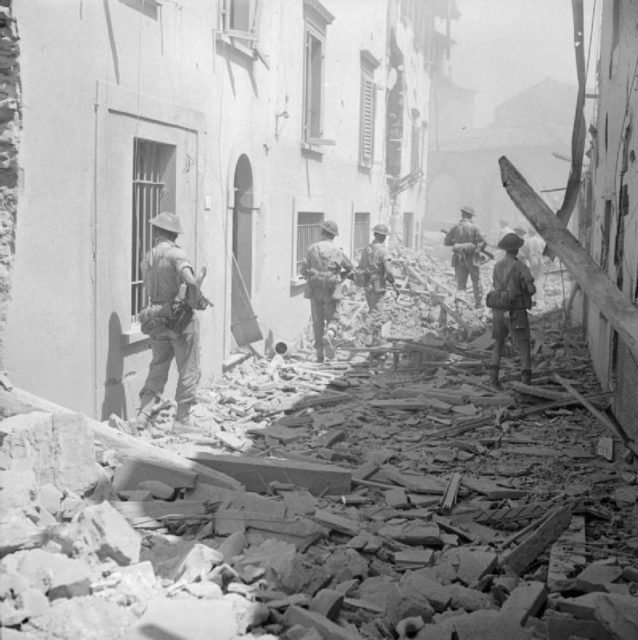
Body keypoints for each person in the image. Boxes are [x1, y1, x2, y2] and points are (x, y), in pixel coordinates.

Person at [137, 211, 204, 429]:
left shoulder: (147, 258)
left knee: (158, 366)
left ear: (156, 232)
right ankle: (182, 420)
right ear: (174, 235)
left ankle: (143, 415)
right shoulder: (177, 255)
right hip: (180, 321)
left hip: (157, 319)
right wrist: (195, 300)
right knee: (188, 368)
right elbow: (190, 281)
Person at [488, 232, 536, 389]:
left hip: (498, 311)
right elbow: (531, 289)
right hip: (516, 311)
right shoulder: (521, 267)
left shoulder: (497, 266)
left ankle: (493, 380)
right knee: (523, 345)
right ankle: (525, 383)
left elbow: (496, 286)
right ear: (517, 249)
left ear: (505, 249)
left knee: (498, 344)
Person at [301, 220, 353, 363]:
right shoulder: (338, 251)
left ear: (322, 232)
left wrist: (311, 275)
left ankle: (319, 356)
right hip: (331, 291)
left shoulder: (312, 248)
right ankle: (329, 336)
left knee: (317, 322)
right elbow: (350, 268)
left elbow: (303, 270)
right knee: (334, 319)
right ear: (334, 236)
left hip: (315, 290)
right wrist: (339, 279)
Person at [357, 223, 395, 347]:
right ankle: (361, 333)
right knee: (376, 312)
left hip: (367, 283)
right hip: (378, 284)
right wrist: (392, 280)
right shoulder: (383, 250)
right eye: (384, 236)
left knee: (374, 311)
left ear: (374, 235)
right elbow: (388, 270)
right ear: (383, 237)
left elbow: (361, 266)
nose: (384, 238)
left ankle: (376, 340)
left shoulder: (366, 249)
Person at [444, 205, 487, 308]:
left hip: (459, 259)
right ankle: (478, 303)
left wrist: (457, 243)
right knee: (476, 281)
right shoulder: (475, 227)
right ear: (471, 216)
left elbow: (446, 242)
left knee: (461, 283)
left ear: (462, 214)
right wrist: (477, 249)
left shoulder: (455, 227)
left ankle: (459, 305)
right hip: (472, 259)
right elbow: (484, 242)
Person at [518, 226, 546, 303]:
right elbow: (545, 251)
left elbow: (523, 253)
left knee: (531, 279)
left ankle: (533, 297)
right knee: (539, 279)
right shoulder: (540, 241)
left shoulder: (527, 241)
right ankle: (540, 297)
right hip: (540, 261)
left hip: (532, 261)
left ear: (529, 233)